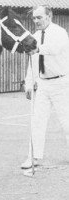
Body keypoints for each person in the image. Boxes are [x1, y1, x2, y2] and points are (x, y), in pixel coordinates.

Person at [21, 5, 69, 169]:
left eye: (39, 17)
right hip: (42, 84)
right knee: (37, 121)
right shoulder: (34, 36)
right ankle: (34, 157)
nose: (36, 21)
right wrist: (28, 83)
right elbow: (31, 62)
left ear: (49, 17)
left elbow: (54, 49)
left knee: (67, 121)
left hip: (61, 83)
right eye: (34, 18)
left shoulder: (60, 33)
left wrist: (37, 48)